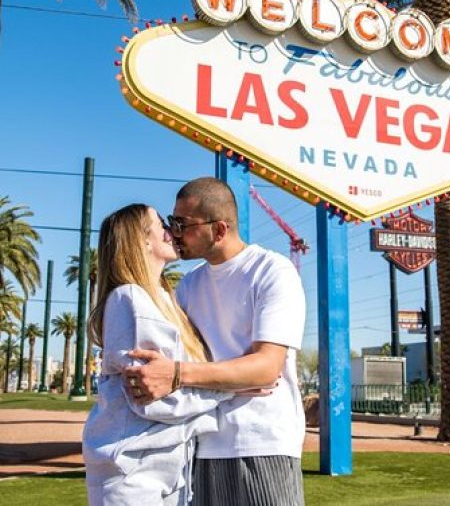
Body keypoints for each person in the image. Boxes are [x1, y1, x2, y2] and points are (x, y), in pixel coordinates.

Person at [125, 177, 307, 506]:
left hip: (261, 444)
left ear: (220, 230)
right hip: (198, 444)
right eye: (171, 221)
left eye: (183, 224)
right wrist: (231, 380)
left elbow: (266, 368)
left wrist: (178, 374)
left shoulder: (272, 271)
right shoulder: (187, 286)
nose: (174, 232)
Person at [81, 203, 232, 505]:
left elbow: (177, 383)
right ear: (142, 240)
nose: (170, 230)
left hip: (171, 472)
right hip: (131, 475)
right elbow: (152, 400)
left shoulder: (165, 299)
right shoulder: (129, 298)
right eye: (161, 223)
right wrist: (231, 388)